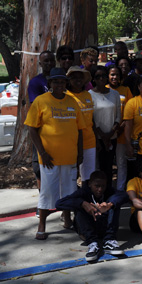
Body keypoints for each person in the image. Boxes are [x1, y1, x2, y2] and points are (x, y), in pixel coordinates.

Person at [25, 67, 85, 240]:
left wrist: (80, 153)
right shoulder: (41, 101)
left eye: (62, 81)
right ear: (50, 83)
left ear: (66, 83)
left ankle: (67, 219)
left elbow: (80, 130)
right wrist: (42, 152)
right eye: (55, 81)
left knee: (69, 191)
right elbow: (32, 129)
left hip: (70, 156)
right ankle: (42, 224)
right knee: (48, 191)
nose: (59, 84)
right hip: (49, 158)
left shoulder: (72, 102)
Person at [56, 170, 128, 261]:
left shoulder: (109, 191)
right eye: (97, 186)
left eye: (103, 186)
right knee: (78, 207)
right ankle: (92, 243)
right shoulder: (83, 192)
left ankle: (109, 241)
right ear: (90, 184)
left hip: (104, 226)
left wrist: (110, 204)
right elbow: (59, 203)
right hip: (88, 228)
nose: (100, 189)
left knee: (115, 204)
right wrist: (82, 203)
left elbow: (124, 196)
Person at [28, 51, 56, 196]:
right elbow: (36, 106)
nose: (49, 63)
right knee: (39, 166)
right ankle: (42, 199)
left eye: (52, 60)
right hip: (40, 131)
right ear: (40, 64)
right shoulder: (36, 82)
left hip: (58, 130)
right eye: (46, 61)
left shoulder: (61, 79)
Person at [89, 66, 121, 187]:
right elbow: (91, 118)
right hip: (97, 138)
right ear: (94, 79)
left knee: (108, 167)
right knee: (97, 167)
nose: (101, 78)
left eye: (103, 75)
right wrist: (102, 135)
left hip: (112, 137)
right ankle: (96, 192)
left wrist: (110, 133)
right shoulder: (90, 95)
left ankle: (108, 192)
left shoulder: (115, 94)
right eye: (98, 76)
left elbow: (119, 115)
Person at [66, 66, 96, 186]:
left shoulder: (88, 95)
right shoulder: (66, 96)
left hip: (89, 141)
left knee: (88, 175)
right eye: (74, 77)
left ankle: (87, 198)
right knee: (72, 174)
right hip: (72, 142)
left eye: (80, 77)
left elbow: (92, 119)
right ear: (69, 80)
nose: (78, 80)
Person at [107, 65, 133, 191]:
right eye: (112, 74)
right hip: (106, 133)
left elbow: (130, 111)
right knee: (106, 163)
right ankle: (106, 188)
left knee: (121, 163)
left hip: (122, 132)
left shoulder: (126, 90)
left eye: (117, 74)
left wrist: (121, 127)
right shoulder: (103, 89)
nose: (114, 77)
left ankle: (120, 189)